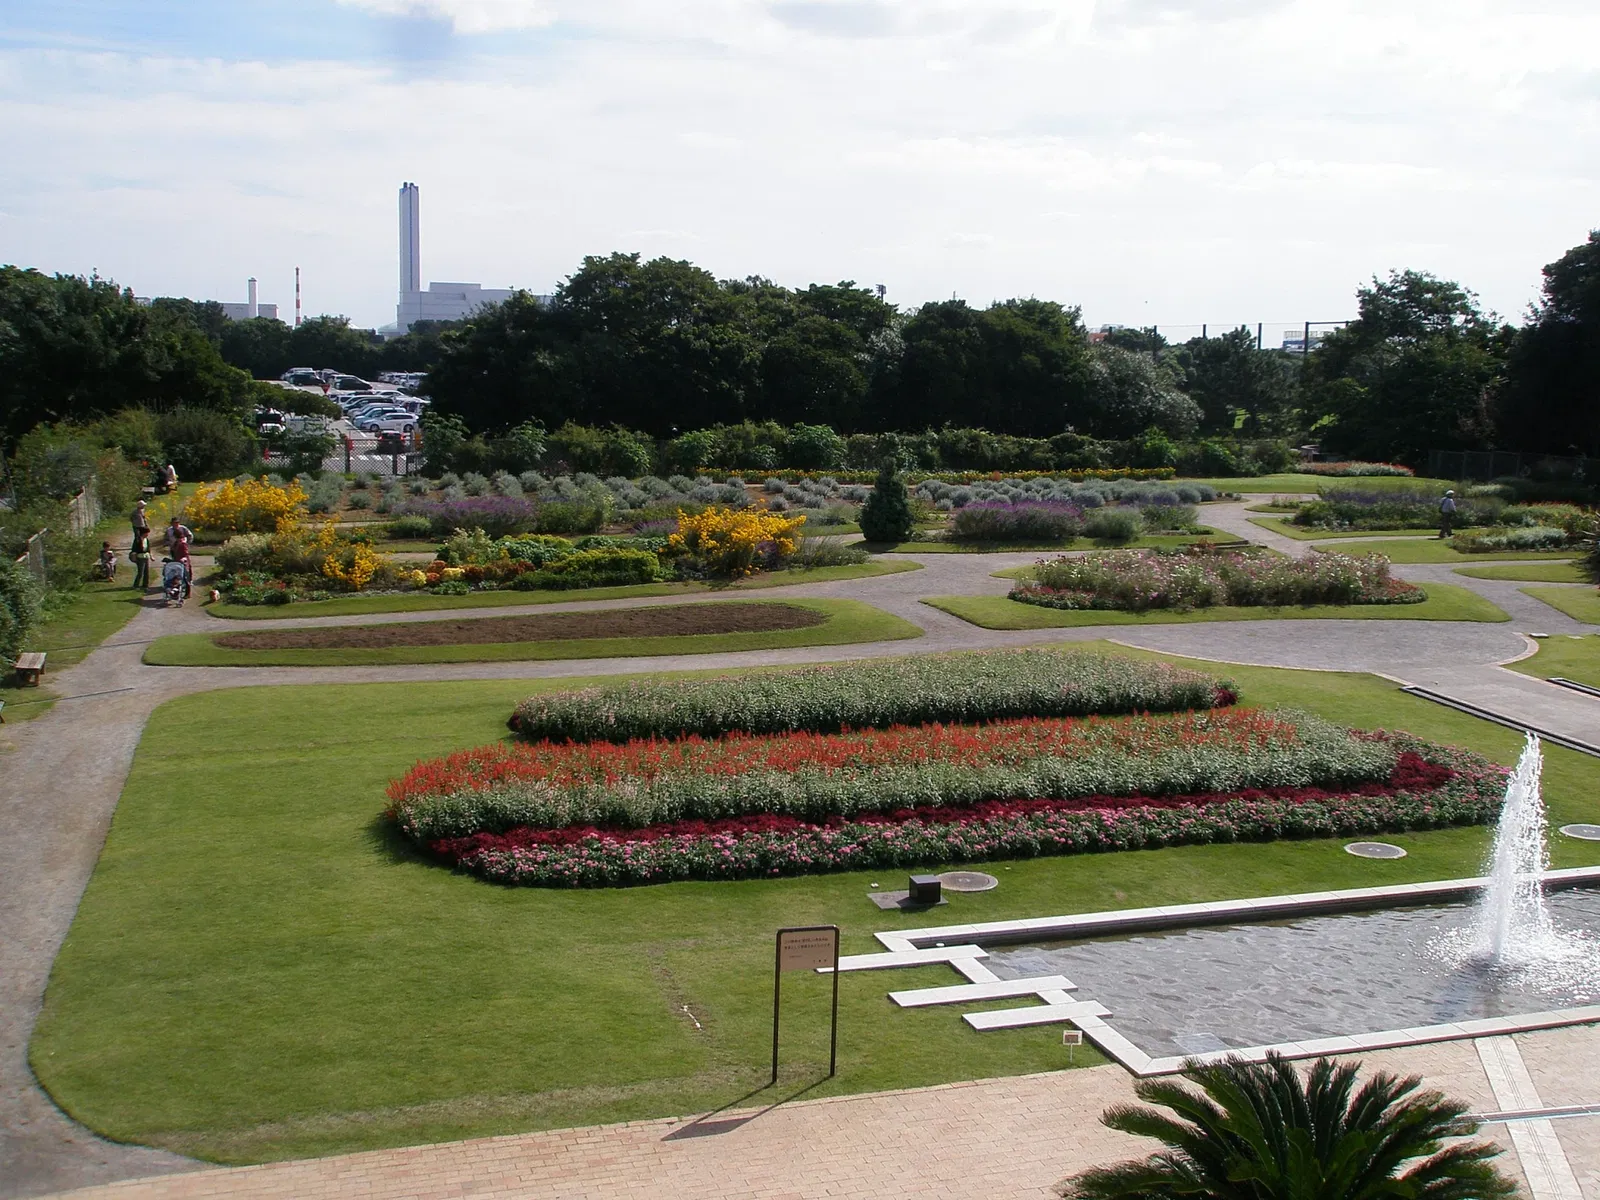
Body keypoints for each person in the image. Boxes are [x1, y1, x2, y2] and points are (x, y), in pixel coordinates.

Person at [167, 517, 194, 597]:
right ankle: (176, 590)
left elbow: (185, 553)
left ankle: (187, 592)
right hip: (177, 557)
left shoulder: (182, 543)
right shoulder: (170, 532)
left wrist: (183, 559)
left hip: (183, 560)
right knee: (177, 574)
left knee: (185, 575)